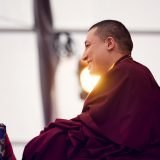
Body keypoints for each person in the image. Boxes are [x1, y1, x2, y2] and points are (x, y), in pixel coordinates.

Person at [22, 20, 160, 160]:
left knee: (48, 143)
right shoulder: (125, 74)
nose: (84, 56)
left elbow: (97, 132)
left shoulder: (131, 73)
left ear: (109, 43)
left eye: (88, 46)